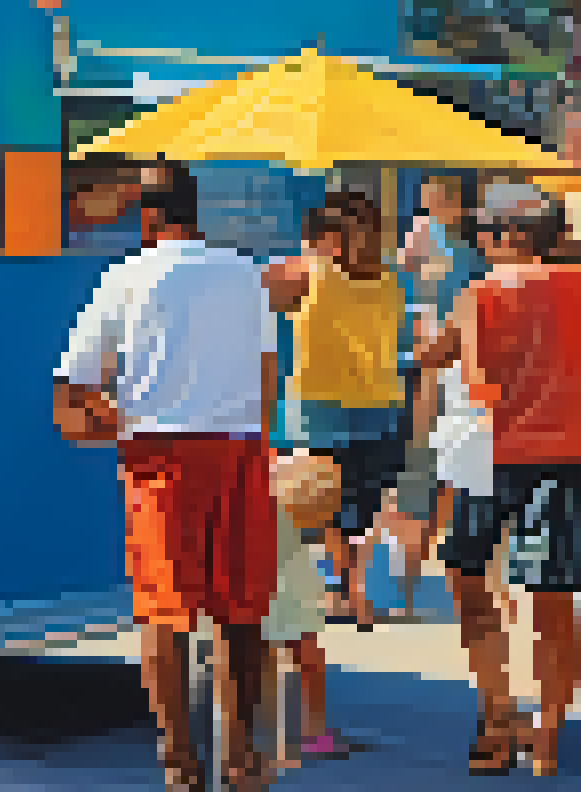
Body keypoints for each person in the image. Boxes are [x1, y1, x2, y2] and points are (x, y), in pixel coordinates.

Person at [55, 166, 278, 792]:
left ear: (147, 216)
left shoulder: (126, 276)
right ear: (193, 211)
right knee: (240, 615)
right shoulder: (244, 273)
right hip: (240, 451)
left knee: (164, 615)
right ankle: (242, 759)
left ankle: (181, 764)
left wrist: (118, 420)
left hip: (161, 456)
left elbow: (73, 388)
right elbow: (266, 375)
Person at [424, 185, 581, 777]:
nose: (482, 243)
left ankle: (499, 719)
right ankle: (546, 740)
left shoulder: (478, 295)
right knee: (551, 599)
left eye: (486, 233)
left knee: (469, 586)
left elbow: (478, 380)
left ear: (510, 237)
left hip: (492, 458)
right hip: (566, 458)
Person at [264, 191, 405, 631]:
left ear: (327, 238)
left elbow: (258, 295)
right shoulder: (390, 279)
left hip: (319, 405)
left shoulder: (309, 272)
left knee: (322, 506)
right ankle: (355, 593)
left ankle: (338, 591)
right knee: (362, 508)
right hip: (380, 402)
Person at [393, 174, 486, 592]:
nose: (436, 202)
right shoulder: (424, 233)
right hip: (434, 355)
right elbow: (407, 286)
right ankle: (410, 569)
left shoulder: (470, 243)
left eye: (444, 195)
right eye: (432, 195)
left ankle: (420, 564)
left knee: (440, 466)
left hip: (455, 358)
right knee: (424, 464)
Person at [265, 450, 346, 764]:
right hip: (291, 588)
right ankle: (313, 730)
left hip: (268, 587)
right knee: (307, 661)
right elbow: (333, 545)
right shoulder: (299, 480)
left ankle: (269, 728)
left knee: (269, 659)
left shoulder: (255, 479)